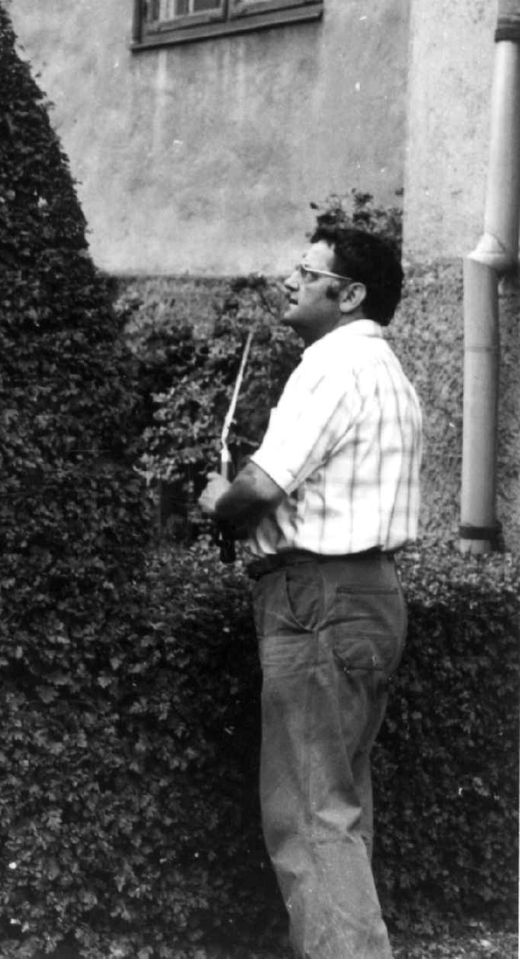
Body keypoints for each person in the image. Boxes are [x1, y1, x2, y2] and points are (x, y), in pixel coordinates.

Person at [199, 226, 422, 959]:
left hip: (313, 598)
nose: (289, 280)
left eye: (306, 271)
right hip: (370, 596)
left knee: (307, 810)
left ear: (348, 294)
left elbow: (260, 487)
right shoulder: (388, 373)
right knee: (338, 806)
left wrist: (215, 500)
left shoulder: (329, 367)